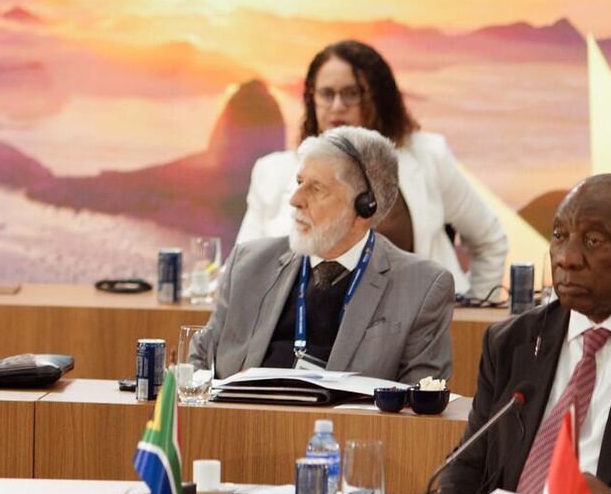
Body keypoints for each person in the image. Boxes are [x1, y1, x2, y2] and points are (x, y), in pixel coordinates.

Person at [440, 174, 611, 494]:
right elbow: (468, 463)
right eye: (559, 235)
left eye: (593, 240)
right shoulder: (511, 342)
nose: (567, 258)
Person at [239, 40, 507, 298]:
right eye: (326, 94)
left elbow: (489, 240)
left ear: (378, 98)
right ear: (312, 98)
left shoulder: (429, 155)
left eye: (351, 93)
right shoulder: (271, 172)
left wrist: (469, 314)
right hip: (309, 326)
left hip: (414, 323)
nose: (337, 106)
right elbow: (243, 270)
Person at [195, 126, 455, 384]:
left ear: (365, 208)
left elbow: (422, 397)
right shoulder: (247, 264)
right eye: (300, 182)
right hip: (243, 412)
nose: (295, 199)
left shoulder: (421, 287)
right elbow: (199, 363)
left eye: (317, 188)